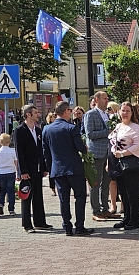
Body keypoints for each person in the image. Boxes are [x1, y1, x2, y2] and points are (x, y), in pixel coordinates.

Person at [42, 101, 93, 236]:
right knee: (80, 197)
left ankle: (67, 227)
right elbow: (80, 147)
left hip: (57, 170)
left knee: (63, 199)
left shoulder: (47, 129)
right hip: (74, 168)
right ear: (65, 111)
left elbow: (45, 152)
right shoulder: (71, 128)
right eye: (70, 110)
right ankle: (79, 226)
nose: (71, 112)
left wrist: (50, 168)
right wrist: (85, 148)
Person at [14, 104, 52, 232]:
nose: (38, 115)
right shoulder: (20, 130)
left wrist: (44, 167)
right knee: (26, 196)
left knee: (38, 196)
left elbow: (42, 151)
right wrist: (22, 171)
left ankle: (40, 222)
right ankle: (27, 225)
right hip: (27, 170)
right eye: (35, 113)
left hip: (37, 169)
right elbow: (19, 152)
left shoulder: (38, 130)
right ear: (28, 114)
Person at [110, 102, 139, 230]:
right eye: (123, 110)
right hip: (118, 163)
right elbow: (112, 142)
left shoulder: (135, 128)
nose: (125, 113)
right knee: (124, 193)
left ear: (132, 113)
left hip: (131, 163)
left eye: (127, 111)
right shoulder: (118, 126)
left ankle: (136, 220)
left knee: (133, 193)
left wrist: (123, 153)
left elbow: (138, 146)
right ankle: (127, 218)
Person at [83, 91, 112, 219]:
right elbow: (90, 134)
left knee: (106, 182)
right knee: (95, 183)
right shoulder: (90, 114)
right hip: (96, 153)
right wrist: (107, 132)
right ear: (97, 99)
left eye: (107, 98)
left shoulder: (106, 114)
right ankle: (96, 210)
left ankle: (105, 208)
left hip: (108, 153)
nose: (107, 100)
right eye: (104, 98)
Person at [0, 132, 18, 216]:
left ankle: (0, 204)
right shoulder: (13, 151)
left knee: (2, 190)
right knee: (11, 191)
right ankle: (11, 209)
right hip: (10, 172)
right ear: (9, 142)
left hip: (0, 173)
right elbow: (16, 163)